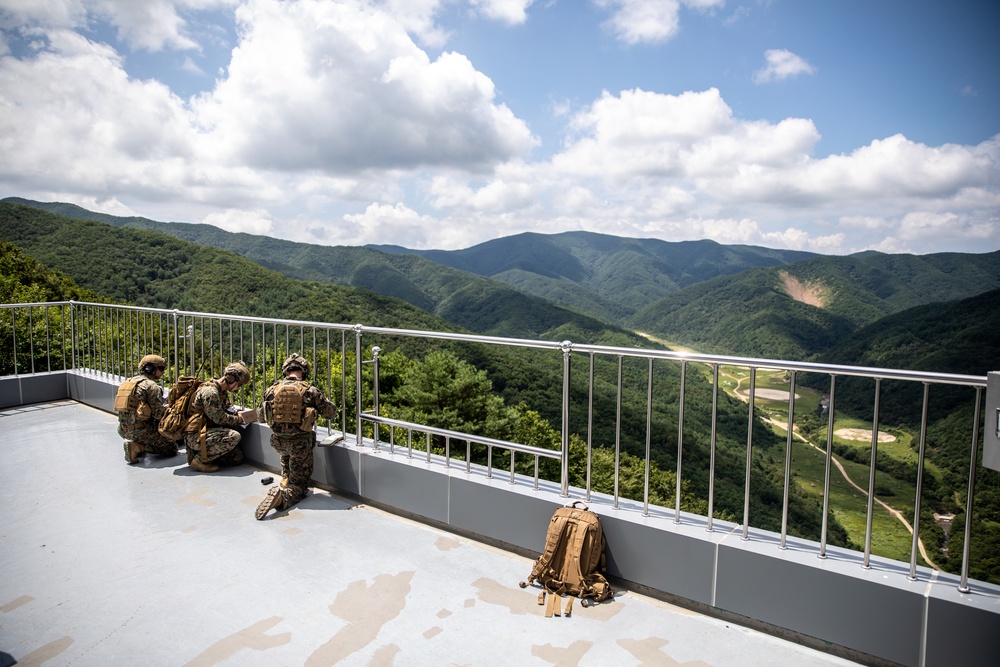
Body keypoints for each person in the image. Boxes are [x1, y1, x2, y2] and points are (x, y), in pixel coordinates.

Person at [255, 353, 337, 520]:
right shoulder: (310, 391)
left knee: (286, 447)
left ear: (286, 371)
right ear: (304, 371)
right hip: (300, 446)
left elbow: (261, 416)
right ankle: (283, 497)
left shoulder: (271, 390)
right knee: (301, 486)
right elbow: (331, 413)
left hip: (277, 442)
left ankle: (286, 477)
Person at [184, 361, 251, 473]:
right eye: (238, 384)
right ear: (230, 379)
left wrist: (237, 413)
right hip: (196, 435)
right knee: (234, 437)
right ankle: (199, 460)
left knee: (237, 457)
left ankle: (205, 455)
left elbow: (227, 408)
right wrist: (239, 419)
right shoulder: (210, 393)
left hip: (207, 432)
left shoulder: (221, 392)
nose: (238, 388)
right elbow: (220, 418)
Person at [116, 354, 179, 464]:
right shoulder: (151, 386)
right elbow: (158, 415)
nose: (163, 372)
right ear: (151, 369)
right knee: (171, 448)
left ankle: (138, 443)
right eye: (161, 368)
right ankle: (138, 447)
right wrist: (170, 410)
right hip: (141, 430)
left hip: (123, 429)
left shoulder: (128, 382)